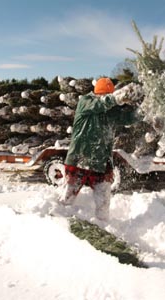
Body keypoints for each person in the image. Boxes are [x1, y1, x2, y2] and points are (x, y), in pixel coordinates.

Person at [59, 77, 141, 220]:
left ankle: (102, 225)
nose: (105, 98)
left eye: (107, 95)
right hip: (80, 159)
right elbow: (101, 104)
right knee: (67, 198)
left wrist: (145, 110)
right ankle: (59, 221)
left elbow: (129, 118)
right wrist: (117, 97)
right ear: (97, 94)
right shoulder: (86, 101)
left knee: (103, 202)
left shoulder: (111, 111)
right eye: (103, 95)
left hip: (101, 162)